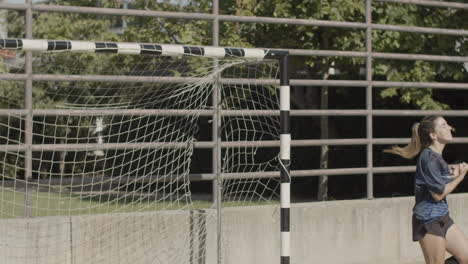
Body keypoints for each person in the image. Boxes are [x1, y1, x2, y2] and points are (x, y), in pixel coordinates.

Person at [384, 115, 468, 264]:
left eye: (447, 124)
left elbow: (435, 183)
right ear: (433, 135)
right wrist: (460, 177)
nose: (449, 127)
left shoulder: (436, 157)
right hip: (428, 221)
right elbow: (438, 194)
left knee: (465, 256)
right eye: (443, 125)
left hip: (442, 217)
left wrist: (452, 176)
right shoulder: (428, 159)